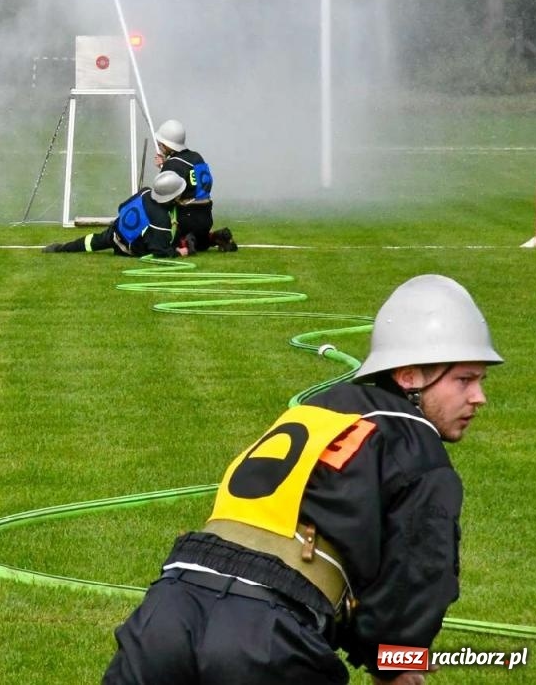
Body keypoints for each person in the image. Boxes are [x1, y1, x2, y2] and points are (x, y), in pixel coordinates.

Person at [103, 274, 504, 685]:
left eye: (480, 381)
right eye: (464, 380)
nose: (478, 397)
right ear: (408, 376)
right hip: (264, 636)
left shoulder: (321, 408)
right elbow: (418, 576)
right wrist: (395, 663)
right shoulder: (420, 450)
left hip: (168, 607)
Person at [42, 172, 186, 257]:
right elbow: (159, 250)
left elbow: (122, 207)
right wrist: (179, 252)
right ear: (171, 196)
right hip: (128, 248)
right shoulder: (161, 219)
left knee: (92, 241)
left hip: (115, 231)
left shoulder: (145, 192)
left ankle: (61, 248)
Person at [153, 118, 236, 253]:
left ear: (168, 144)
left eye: (161, 144)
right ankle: (213, 237)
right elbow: (188, 176)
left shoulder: (172, 165)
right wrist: (166, 164)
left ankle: (184, 241)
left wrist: (163, 169)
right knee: (200, 242)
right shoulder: (197, 157)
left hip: (186, 218)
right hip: (206, 217)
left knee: (162, 238)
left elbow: (163, 196)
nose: (160, 146)